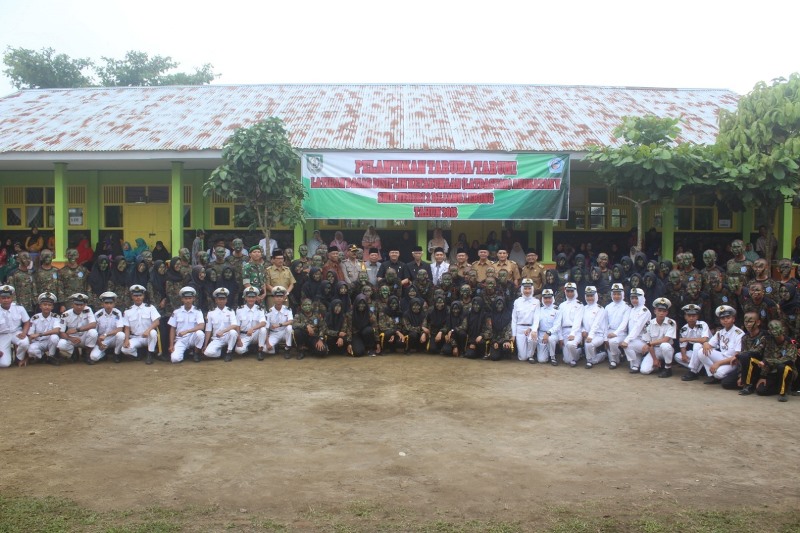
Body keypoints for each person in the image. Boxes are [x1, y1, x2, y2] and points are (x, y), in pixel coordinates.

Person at [694, 305, 745, 385]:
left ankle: (719, 374)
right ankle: (712, 375)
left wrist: (718, 363)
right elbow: (709, 345)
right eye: (722, 318)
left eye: (728, 318)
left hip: (733, 362)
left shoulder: (739, 333)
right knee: (701, 352)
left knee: (719, 374)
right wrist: (705, 343)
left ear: (733, 319)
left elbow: (737, 356)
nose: (725, 320)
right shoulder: (720, 332)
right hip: (722, 357)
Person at [120, 285, 161, 364]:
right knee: (124, 349)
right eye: (135, 296)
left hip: (147, 336)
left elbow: (156, 322)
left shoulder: (150, 307)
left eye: (140, 295)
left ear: (143, 296)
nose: (138, 297)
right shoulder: (128, 311)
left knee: (153, 332)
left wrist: (147, 331)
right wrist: (126, 340)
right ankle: (138, 355)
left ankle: (150, 354)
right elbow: (127, 328)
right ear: (132, 296)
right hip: (136, 337)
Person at [639, 297, 677, 377]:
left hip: (666, 349)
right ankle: (659, 362)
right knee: (644, 371)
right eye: (659, 311)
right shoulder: (649, 324)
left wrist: (650, 343)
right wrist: (655, 359)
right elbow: (649, 343)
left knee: (665, 345)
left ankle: (668, 368)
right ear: (655, 311)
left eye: (664, 311)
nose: (661, 313)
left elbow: (666, 339)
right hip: (654, 349)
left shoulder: (671, 323)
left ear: (667, 312)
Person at [167, 286, 206, 364]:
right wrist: (171, 345)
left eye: (190, 298)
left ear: (193, 299)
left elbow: (201, 326)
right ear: (182, 299)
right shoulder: (176, 311)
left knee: (200, 334)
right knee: (175, 359)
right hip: (181, 339)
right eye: (186, 298)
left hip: (192, 337)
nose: (188, 300)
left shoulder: (197, 311)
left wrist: (187, 331)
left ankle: (196, 353)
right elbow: (172, 328)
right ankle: (185, 353)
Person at [56, 293, 98, 365]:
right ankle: (74, 352)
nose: (79, 307)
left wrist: (77, 329)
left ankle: (87, 354)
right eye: (77, 304)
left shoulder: (88, 310)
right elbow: (61, 332)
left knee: (93, 332)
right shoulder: (65, 315)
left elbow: (93, 324)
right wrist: (70, 338)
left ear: (84, 305)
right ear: (72, 304)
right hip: (73, 338)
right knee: (61, 344)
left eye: (81, 305)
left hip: (84, 336)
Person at [25, 291, 63, 366]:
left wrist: (40, 334)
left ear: (52, 307)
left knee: (54, 337)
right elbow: (31, 334)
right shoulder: (35, 318)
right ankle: (44, 357)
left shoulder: (56, 317)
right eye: (44, 304)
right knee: (31, 350)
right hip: (38, 342)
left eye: (49, 305)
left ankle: (51, 355)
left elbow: (57, 330)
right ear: (40, 306)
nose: (47, 307)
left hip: (50, 341)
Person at [202, 287, 239, 362]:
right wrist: (205, 344)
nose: (221, 301)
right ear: (216, 300)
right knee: (207, 353)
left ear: (226, 300)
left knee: (233, 332)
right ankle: (222, 353)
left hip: (228, 336)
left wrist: (223, 331)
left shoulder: (230, 311)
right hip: (217, 338)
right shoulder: (211, 313)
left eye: (223, 299)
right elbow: (208, 330)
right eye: (219, 299)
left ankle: (229, 352)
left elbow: (234, 325)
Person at [620, 288, 651, 373]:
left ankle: (639, 361)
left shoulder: (644, 311)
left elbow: (638, 327)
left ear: (641, 298)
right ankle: (636, 363)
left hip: (644, 340)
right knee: (632, 363)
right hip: (634, 339)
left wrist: (627, 340)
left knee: (627, 345)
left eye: (636, 298)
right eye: (632, 298)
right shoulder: (632, 309)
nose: (634, 300)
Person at [89, 291, 126, 364]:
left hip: (113, 338)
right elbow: (94, 332)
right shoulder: (98, 315)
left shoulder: (117, 313)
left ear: (114, 303)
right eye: (106, 303)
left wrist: (106, 335)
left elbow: (120, 329)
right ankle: (103, 354)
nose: (109, 305)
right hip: (102, 340)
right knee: (94, 357)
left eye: (111, 303)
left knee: (121, 335)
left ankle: (116, 354)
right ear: (102, 304)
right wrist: (99, 343)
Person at [0, 284, 30, 368]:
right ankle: (9, 351)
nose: (6, 300)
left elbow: (27, 322)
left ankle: (18, 357)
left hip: (15, 332)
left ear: (11, 298)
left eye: (8, 298)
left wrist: (24, 333)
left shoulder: (19, 308)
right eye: (3, 298)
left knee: (24, 342)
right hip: (2, 335)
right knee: (4, 364)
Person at [676, 304, 710, 376]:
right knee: (677, 356)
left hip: (708, 350)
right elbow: (683, 346)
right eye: (689, 316)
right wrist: (684, 355)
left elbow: (704, 340)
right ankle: (701, 369)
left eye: (693, 316)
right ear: (685, 317)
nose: (691, 318)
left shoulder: (703, 324)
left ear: (697, 317)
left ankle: (693, 371)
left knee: (697, 345)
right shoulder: (683, 329)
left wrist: (686, 339)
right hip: (697, 352)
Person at [234, 286, 267, 360]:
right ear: (245, 298)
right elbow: (237, 326)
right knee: (239, 351)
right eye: (249, 297)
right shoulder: (239, 309)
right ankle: (250, 348)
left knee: (263, 329)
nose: (251, 299)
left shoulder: (260, 309)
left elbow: (263, 323)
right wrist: (238, 339)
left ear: (256, 298)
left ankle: (260, 351)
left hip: (255, 334)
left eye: (253, 297)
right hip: (244, 335)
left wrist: (252, 328)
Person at [511, 278, 539, 361]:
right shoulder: (517, 302)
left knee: (533, 339)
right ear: (522, 289)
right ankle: (528, 355)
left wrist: (533, 330)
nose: (527, 291)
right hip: (520, 329)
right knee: (522, 358)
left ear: (532, 289)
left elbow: (537, 318)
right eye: (525, 288)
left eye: (529, 288)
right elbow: (514, 319)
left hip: (530, 328)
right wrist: (513, 335)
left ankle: (531, 356)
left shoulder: (536, 301)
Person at [265, 286, 294, 358]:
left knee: (289, 328)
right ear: (274, 298)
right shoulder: (269, 311)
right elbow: (266, 328)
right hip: (274, 333)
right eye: (277, 296)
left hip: (284, 332)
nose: (279, 298)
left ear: (284, 298)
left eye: (281, 297)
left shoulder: (288, 309)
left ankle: (287, 349)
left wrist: (280, 325)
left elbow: (291, 321)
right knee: (265, 349)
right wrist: (267, 342)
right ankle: (276, 348)